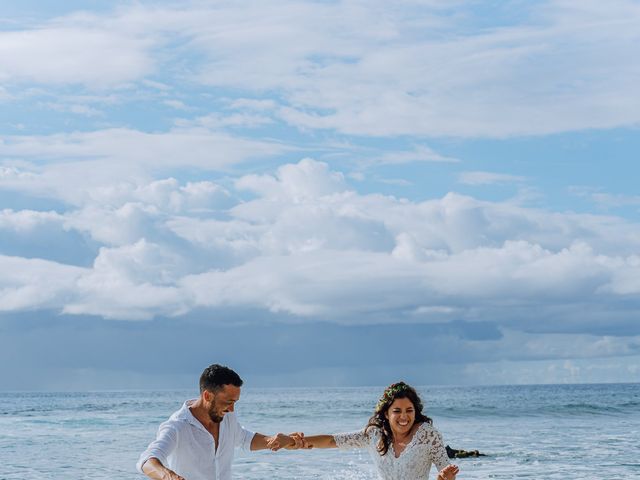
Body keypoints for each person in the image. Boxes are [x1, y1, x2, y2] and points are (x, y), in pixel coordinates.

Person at [136, 364, 302, 480]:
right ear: (207, 396)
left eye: (235, 402)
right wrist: (170, 477)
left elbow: (243, 438)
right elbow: (147, 460)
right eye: (228, 402)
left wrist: (273, 440)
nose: (232, 410)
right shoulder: (177, 426)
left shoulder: (226, 417)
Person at [293, 382, 459, 480]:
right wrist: (299, 441)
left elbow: (446, 470)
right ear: (386, 414)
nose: (404, 417)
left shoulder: (428, 435)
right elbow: (332, 441)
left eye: (409, 410)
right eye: (397, 411)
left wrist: (445, 478)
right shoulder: (374, 435)